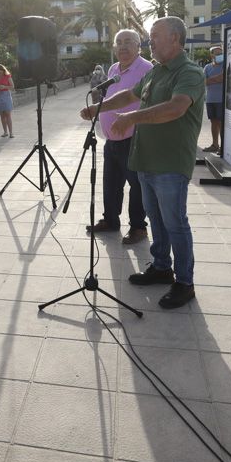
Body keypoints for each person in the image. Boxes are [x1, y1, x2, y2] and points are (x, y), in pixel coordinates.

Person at [80, 17, 204, 309]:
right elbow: (129, 95)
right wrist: (101, 107)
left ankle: (185, 282)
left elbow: (176, 107)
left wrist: (132, 117)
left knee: (175, 223)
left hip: (171, 162)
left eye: (155, 36)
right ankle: (162, 266)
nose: (151, 42)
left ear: (175, 38)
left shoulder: (189, 72)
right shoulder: (156, 72)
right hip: (146, 158)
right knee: (157, 219)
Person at [86, 29, 153, 245]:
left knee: (136, 185)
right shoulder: (114, 68)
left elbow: (149, 103)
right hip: (111, 139)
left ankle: (138, 227)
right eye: (119, 43)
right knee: (111, 183)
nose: (123, 47)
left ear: (138, 46)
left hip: (134, 138)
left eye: (128, 42)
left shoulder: (147, 69)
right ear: (114, 48)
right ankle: (111, 220)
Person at [202, 46, 225, 153]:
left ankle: (223, 147)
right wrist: (218, 78)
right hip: (210, 99)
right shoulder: (207, 67)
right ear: (212, 55)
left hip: (221, 100)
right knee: (213, 123)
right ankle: (215, 145)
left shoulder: (225, 65)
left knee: (221, 123)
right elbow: (203, 82)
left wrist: (210, 79)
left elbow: (224, 78)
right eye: (217, 53)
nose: (220, 55)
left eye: (221, 53)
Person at [0, 64, 14, 138]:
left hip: (6, 95)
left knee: (8, 114)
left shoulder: (7, 76)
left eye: (0, 70)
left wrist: (4, 87)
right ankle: (5, 132)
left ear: (3, 70)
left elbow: (12, 86)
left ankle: (11, 133)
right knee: (2, 115)